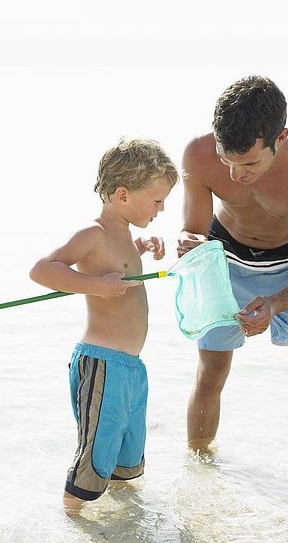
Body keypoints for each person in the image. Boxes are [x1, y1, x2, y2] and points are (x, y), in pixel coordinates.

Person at [178, 75, 288, 472]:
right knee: (211, 370)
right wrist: (190, 243)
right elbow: (193, 229)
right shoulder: (198, 155)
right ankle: (198, 476)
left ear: (281, 137)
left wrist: (275, 303)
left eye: (250, 162)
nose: (236, 175)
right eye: (227, 159)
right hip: (224, 258)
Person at [30, 137, 178, 516]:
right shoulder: (93, 233)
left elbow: (118, 261)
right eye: (157, 199)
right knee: (93, 460)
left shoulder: (125, 235)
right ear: (123, 194)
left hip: (130, 368)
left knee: (125, 461)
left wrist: (141, 247)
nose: (162, 208)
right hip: (102, 364)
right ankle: (73, 520)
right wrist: (96, 286)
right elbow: (43, 269)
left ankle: (119, 527)